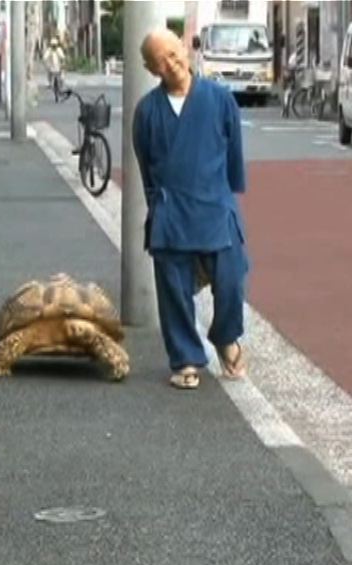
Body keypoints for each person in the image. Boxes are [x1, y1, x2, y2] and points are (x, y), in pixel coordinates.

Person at [132, 29, 249, 390]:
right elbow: (145, 167)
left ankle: (225, 336)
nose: (172, 62)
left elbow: (234, 160)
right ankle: (185, 358)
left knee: (232, 279)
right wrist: (157, 207)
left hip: (214, 204)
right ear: (152, 69)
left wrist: (223, 197)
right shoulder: (148, 111)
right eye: (161, 60)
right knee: (173, 289)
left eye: (173, 52)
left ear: (184, 48)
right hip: (171, 210)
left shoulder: (220, 99)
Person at [43, 37, 66, 102]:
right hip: (51, 68)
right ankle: (50, 84)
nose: (54, 46)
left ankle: (61, 87)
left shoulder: (59, 50)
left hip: (59, 68)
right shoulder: (49, 50)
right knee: (49, 76)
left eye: (55, 45)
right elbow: (45, 58)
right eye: (53, 45)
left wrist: (63, 64)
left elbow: (63, 58)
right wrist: (47, 64)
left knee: (61, 78)